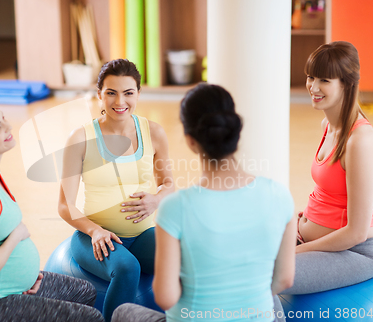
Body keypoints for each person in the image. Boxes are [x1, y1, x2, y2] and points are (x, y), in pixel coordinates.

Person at [111, 83, 297, 322]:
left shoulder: (175, 208)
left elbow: (166, 297)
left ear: (190, 140)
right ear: (236, 132)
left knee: (122, 313)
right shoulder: (280, 196)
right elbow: (285, 280)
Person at [0, 99, 104, 322]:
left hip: (9, 288)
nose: (8, 127)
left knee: (84, 291)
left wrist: (22, 280)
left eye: (3, 118)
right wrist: (17, 235)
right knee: (90, 318)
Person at [58, 59, 175, 322]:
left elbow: (169, 185)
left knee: (183, 258)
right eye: (111, 92)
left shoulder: (153, 132)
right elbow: (65, 205)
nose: (119, 101)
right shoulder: (80, 139)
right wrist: (95, 230)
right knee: (127, 268)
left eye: (128, 93)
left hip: (143, 233)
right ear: (99, 95)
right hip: (94, 238)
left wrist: (156, 199)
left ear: (138, 94)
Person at [282, 41, 373, 296]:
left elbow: (356, 232)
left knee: (267, 277)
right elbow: (329, 194)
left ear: (346, 83)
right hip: (311, 237)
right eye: (311, 77)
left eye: (325, 80)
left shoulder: (359, 141)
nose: (313, 87)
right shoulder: (327, 126)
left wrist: (295, 251)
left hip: (356, 252)